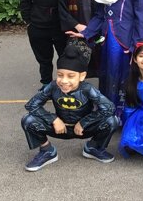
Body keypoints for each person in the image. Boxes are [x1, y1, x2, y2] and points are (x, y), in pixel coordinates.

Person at [70, 0, 143, 121]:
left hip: (125, 41)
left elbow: (141, 20)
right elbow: (99, 15)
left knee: (125, 75)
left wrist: (137, 46)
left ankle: (123, 114)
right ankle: (107, 112)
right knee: (107, 75)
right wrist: (86, 33)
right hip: (105, 40)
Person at [20, 43, 119, 171]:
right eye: (60, 75)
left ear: (82, 76)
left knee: (112, 120)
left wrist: (84, 122)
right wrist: (53, 119)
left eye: (70, 76)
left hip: (84, 129)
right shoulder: (53, 86)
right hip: (61, 128)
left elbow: (109, 108)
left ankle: (93, 147)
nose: (64, 81)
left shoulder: (88, 89)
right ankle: (47, 151)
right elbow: (32, 105)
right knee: (28, 120)